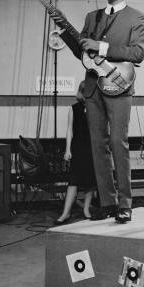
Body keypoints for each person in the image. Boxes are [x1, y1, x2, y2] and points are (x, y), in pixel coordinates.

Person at [61, 0, 144, 223]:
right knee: (98, 145)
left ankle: (125, 204)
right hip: (92, 87)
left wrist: (102, 46)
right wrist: (66, 35)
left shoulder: (137, 17)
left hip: (119, 85)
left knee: (117, 143)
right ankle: (108, 203)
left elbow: (138, 53)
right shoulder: (92, 17)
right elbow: (83, 53)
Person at [55, 82, 97, 224]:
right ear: (81, 92)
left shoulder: (96, 109)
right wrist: (68, 150)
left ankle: (86, 209)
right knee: (73, 182)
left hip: (92, 147)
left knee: (90, 181)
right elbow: (69, 130)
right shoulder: (73, 109)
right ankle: (65, 213)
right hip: (78, 147)